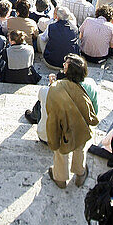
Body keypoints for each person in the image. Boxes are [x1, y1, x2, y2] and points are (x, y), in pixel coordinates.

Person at [45, 53, 98, 188]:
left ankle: (60, 179)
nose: (63, 66)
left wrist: (54, 85)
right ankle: (80, 173)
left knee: (61, 152)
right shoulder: (90, 85)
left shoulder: (58, 86)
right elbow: (95, 110)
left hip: (65, 127)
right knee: (80, 149)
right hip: (83, 127)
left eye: (65, 66)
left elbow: (53, 112)